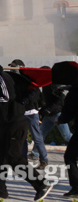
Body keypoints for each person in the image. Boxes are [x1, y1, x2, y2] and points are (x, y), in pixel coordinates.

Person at [0, 56, 52, 201]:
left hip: (16, 122)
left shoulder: (1, 77)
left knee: (14, 158)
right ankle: (0, 191)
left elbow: (7, 96)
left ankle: (42, 184)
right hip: (6, 124)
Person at [10, 59, 48, 169]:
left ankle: (44, 160)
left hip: (31, 112)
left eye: (13, 67)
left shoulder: (28, 79)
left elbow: (35, 94)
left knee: (37, 137)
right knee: (22, 137)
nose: (12, 70)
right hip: (21, 112)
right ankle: (23, 161)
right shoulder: (14, 80)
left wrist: (24, 101)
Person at [58, 64, 78, 197]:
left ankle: (76, 188)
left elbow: (67, 112)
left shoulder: (74, 91)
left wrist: (61, 119)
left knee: (70, 156)